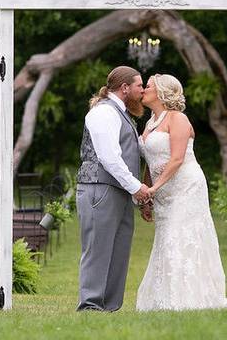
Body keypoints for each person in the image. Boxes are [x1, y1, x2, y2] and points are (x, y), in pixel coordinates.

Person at [135, 73, 227, 311]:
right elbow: (150, 161)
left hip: (186, 187)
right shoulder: (150, 123)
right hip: (164, 192)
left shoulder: (178, 119)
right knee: (166, 239)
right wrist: (148, 196)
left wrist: (153, 188)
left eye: (148, 87)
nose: (143, 90)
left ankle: (186, 300)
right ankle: (162, 299)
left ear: (162, 92)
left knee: (181, 238)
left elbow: (176, 159)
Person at [75, 65, 151, 312]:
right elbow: (109, 157)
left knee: (119, 250)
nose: (143, 91)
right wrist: (136, 187)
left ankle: (109, 306)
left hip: (118, 191)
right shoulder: (103, 113)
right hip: (99, 188)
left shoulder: (123, 113)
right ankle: (90, 305)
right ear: (125, 87)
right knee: (98, 248)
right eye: (140, 86)